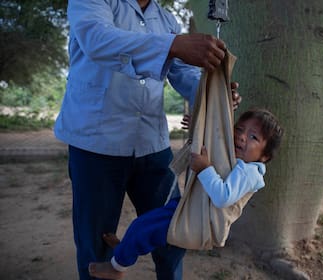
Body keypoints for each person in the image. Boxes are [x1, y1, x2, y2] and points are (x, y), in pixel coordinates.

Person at [54, 1, 241, 279]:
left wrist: (215, 93)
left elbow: (183, 73)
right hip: (96, 146)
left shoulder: (165, 20)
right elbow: (98, 40)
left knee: (173, 232)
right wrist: (173, 45)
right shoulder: (92, 3)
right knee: (97, 242)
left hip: (152, 145)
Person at [87, 108, 284, 279]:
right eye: (239, 129)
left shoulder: (249, 172)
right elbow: (214, 144)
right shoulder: (233, 155)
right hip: (190, 206)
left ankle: (117, 267)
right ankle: (124, 250)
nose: (241, 136)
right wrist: (199, 129)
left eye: (253, 137)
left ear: (264, 156)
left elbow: (223, 197)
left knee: (147, 231)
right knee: (142, 223)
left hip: (201, 222)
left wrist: (205, 169)